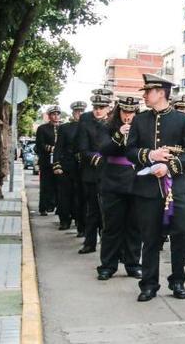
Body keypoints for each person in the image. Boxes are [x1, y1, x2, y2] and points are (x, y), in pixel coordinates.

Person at [126, 74, 185, 302]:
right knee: (150, 238)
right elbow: (130, 150)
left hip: (177, 188)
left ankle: (177, 280)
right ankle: (148, 284)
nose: (145, 95)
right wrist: (150, 155)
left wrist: (169, 166)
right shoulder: (140, 120)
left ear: (161, 92)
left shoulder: (183, 120)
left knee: (181, 236)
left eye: (148, 91)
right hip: (147, 189)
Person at [96, 96, 142, 280]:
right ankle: (108, 265)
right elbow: (103, 149)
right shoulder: (107, 127)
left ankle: (133, 264)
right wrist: (119, 135)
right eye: (125, 111)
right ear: (119, 111)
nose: (128, 116)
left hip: (136, 181)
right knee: (112, 227)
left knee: (134, 226)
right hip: (113, 181)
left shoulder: (142, 127)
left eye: (131, 112)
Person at [76, 95, 111, 254]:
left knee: (109, 211)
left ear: (108, 108)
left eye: (101, 108)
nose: (98, 111)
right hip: (91, 172)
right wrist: (95, 157)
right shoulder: (86, 124)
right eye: (95, 108)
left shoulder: (114, 124)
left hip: (111, 173)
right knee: (92, 210)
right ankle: (89, 243)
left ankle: (109, 244)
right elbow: (83, 149)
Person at [52, 101, 86, 230]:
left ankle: (79, 221)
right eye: (77, 111)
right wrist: (56, 164)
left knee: (80, 196)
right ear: (73, 113)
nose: (79, 114)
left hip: (82, 167)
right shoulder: (65, 128)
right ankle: (64, 220)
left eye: (82, 111)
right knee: (64, 195)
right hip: (67, 165)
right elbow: (58, 148)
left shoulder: (89, 126)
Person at [35, 106, 62, 216]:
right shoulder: (42, 128)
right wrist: (51, 148)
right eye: (53, 114)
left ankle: (56, 206)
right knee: (46, 185)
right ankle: (43, 207)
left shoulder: (62, 128)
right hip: (46, 161)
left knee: (59, 185)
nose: (56, 116)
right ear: (49, 116)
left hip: (59, 161)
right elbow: (39, 144)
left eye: (57, 114)